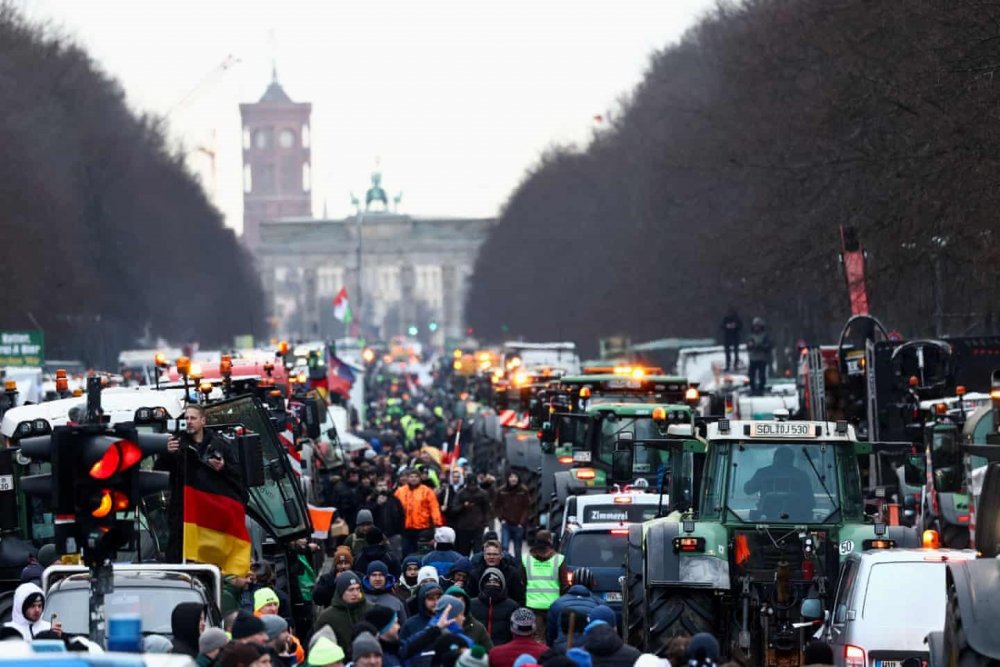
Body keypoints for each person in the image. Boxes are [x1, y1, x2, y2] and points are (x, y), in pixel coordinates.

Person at [743, 447, 815, 519]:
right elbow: (810, 502)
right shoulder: (801, 475)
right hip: (795, 518)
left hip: (766, 518)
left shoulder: (763, 473)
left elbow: (748, 490)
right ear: (792, 460)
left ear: (774, 458)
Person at [312, 571, 375, 650]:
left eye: (358, 589)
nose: (355, 593)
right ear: (341, 592)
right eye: (351, 590)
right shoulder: (327, 617)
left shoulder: (372, 610)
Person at [519, 532, 565, 639]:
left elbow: (522, 582)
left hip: (533, 605)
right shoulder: (559, 559)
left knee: (537, 638)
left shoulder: (526, 559)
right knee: (553, 637)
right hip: (554, 606)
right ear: (550, 541)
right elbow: (564, 585)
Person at [395, 469, 444, 555]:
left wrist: (437, 524)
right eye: (411, 476)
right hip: (405, 529)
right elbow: (394, 508)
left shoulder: (427, 491)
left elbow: (434, 508)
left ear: (420, 478)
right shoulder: (400, 491)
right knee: (406, 552)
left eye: (416, 476)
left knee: (421, 553)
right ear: (408, 478)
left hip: (423, 528)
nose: (413, 479)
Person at [545, 568, 600, 645]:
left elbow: (551, 633)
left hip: (563, 649)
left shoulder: (557, 603)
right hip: (589, 649)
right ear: (592, 584)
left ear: (572, 582)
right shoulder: (599, 604)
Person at [470, 568, 520, 646]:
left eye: (495, 582)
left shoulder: (512, 606)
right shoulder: (471, 604)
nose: (492, 585)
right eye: (488, 582)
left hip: (503, 650)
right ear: (482, 584)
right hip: (477, 650)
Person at [469, 541, 525, 607]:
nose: (491, 557)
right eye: (488, 554)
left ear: (501, 556)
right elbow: (471, 597)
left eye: (495, 554)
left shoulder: (512, 573)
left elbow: (519, 597)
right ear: (484, 556)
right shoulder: (475, 573)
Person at [451, 472, 492, 555]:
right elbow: (454, 509)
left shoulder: (483, 494)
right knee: (464, 552)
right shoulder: (461, 493)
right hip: (464, 527)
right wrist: (463, 506)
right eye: (470, 484)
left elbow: (487, 510)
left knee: (478, 552)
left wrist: (486, 523)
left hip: (478, 527)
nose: (472, 487)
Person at [494, 473, 531, 558]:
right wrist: (501, 519)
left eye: (515, 477)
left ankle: (517, 568)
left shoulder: (523, 491)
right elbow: (496, 506)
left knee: (517, 548)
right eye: (511, 477)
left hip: (518, 524)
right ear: (508, 478)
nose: (513, 479)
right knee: (504, 546)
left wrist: (521, 522)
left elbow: (527, 507)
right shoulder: (502, 491)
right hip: (506, 523)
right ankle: (505, 565)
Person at [746, 317, 772, 396]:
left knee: (762, 375)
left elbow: (769, 346)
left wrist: (761, 346)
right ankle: (753, 389)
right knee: (751, 375)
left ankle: (761, 389)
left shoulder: (765, 335)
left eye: (758, 326)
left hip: (762, 358)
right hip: (753, 358)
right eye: (755, 326)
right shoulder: (750, 335)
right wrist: (752, 346)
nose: (756, 328)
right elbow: (748, 346)